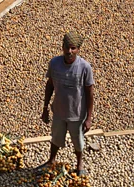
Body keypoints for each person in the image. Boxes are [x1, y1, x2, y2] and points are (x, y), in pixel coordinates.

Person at [38, 31, 95, 176]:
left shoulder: (84, 67)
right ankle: (51, 160)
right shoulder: (55, 63)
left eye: (73, 48)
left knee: (78, 141)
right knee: (56, 137)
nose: (69, 51)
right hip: (59, 111)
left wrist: (89, 118)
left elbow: (90, 93)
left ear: (78, 49)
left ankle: (80, 164)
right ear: (62, 47)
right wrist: (45, 107)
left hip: (77, 113)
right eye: (66, 47)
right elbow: (50, 85)